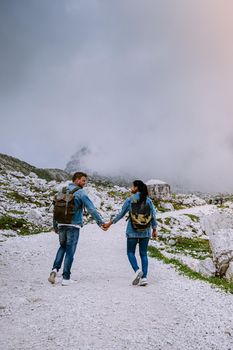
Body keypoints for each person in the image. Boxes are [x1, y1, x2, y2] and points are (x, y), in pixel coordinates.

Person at [48, 171, 105, 286]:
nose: (85, 183)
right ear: (77, 179)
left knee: (62, 246)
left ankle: (54, 270)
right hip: (73, 226)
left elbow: (56, 210)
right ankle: (66, 278)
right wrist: (100, 223)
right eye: (83, 180)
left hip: (61, 224)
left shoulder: (61, 191)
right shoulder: (81, 193)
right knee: (70, 250)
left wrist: (55, 226)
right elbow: (92, 209)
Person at [103, 180, 157, 286]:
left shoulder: (130, 200)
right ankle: (144, 278)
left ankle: (137, 271)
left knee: (130, 252)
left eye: (132, 186)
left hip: (132, 230)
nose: (131, 188)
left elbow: (121, 214)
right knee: (143, 254)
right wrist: (154, 229)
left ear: (136, 187)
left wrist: (110, 223)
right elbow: (153, 216)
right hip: (146, 231)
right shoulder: (149, 200)